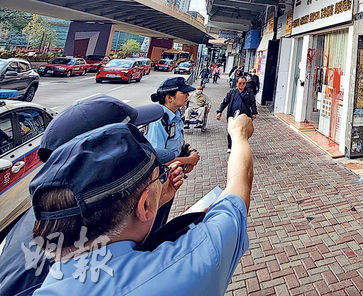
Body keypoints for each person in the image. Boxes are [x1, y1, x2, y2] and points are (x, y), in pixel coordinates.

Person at [28, 114, 254, 295]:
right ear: (143, 206)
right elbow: (238, 188)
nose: (164, 178)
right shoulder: (184, 266)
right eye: (160, 175)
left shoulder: (45, 279)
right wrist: (238, 135)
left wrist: (156, 201)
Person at [0, 96, 181, 296]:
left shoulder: (54, 213)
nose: (140, 139)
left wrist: (157, 201)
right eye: (128, 135)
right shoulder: (68, 263)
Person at [145, 76, 200, 228]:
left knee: (162, 219)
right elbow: (158, 158)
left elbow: (178, 144)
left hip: (171, 178)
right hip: (158, 181)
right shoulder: (159, 121)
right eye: (183, 93)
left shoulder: (175, 116)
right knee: (154, 223)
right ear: (169, 98)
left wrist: (190, 153)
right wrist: (189, 160)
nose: (187, 96)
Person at [216, 76, 257, 152]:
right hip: (232, 115)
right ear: (236, 83)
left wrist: (254, 113)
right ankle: (230, 146)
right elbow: (225, 102)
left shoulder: (249, 92)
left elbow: (252, 103)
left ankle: (240, 147)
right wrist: (219, 111)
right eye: (240, 83)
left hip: (244, 115)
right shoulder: (232, 92)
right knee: (231, 130)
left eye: (244, 83)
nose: (242, 85)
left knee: (242, 132)